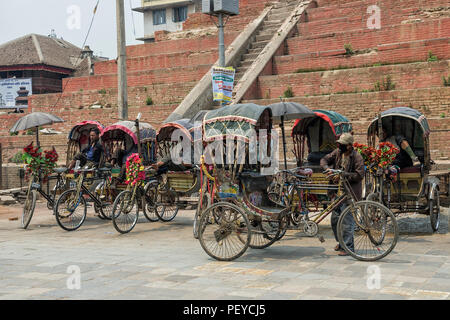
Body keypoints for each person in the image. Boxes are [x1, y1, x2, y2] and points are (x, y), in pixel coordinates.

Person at [320, 133, 364, 256]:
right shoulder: (338, 152)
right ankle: (341, 242)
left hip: (349, 193)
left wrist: (343, 175)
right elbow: (324, 159)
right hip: (336, 192)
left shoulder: (357, 157)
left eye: (343, 144)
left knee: (346, 221)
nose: (340, 146)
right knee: (335, 220)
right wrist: (327, 168)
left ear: (350, 146)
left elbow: (360, 174)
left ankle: (348, 248)